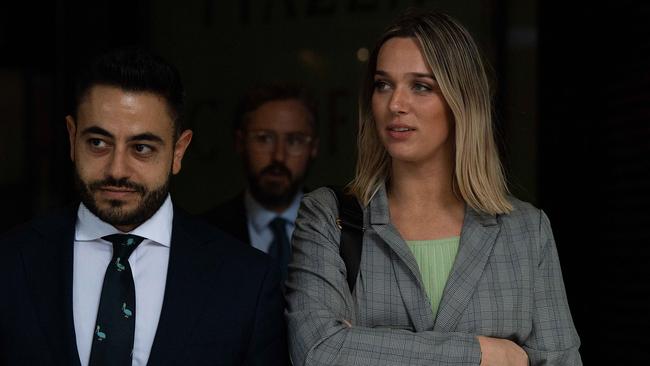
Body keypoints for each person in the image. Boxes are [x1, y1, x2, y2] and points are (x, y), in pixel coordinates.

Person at [286, 9, 581, 366]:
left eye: (421, 86)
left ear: (462, 101)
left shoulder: (525, 230)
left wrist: (364, 346)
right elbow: (320, 352)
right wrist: (484, 353)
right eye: (383, 84)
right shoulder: (329, 218)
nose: (395, 104)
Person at [0, 48, 287, 366]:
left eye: (141, 148)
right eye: (98, 143)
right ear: (72, 137)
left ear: (179, 151)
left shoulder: (247, 281)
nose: (117, 169)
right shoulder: (11, 261)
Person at [204, 83, 319, 281]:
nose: (279, 157)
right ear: (241, 142)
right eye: (264, 139)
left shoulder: (342, 232)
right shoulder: (205, 234)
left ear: (313, 148)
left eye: (294, 141)